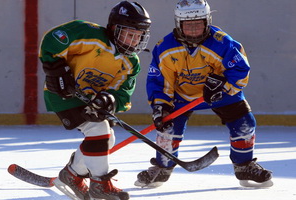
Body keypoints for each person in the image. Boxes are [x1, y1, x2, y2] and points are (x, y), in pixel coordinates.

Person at [134, 0, 272, 188]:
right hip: (181, 96)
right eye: (188, 26)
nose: (193, 30)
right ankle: (163, 167)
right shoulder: (164, 48)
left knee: (245, 123)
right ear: (178, 23)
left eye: (198, 25)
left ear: (207, 21)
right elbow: (159, 81)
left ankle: (244, 165)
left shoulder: (223, 43)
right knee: (167, 128)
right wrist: (161, 105)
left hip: (219, 93)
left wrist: (223, 87)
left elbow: (240, 70)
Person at [39, 1, 151, 199]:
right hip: (63, 94)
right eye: (129, 34)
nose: (134, 41)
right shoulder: (88, 34)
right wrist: (55, 69)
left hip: (89, 100)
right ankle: (100, 184)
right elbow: (52, 40)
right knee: (99, 130)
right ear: (115, 28)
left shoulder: (131, 63)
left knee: (107, 139)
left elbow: (123, 93)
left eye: (138, 36)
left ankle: (72, 174)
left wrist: (109, 100)